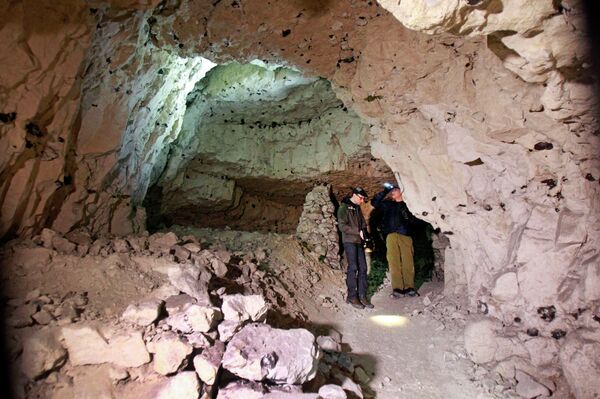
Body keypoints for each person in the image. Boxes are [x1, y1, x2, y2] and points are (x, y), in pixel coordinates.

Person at [371, 182, 420, 297]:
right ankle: (397, 288)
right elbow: (375, 203)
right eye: (391, 191)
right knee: (394, 262)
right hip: (391, 236)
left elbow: (417, 222)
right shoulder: (388, 205)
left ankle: (409, 287)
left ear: (401, 191)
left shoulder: (409, 206)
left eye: (395, 190)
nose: (392, 192)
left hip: (406, 236)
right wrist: (385, 191)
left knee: (408, 261)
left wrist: (408, 217)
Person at [337, 187, 374, 309]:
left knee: (363, 268)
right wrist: (358, 231)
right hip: (349, 241)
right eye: (361, 198)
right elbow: (342, 226)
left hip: (358, 242)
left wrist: (366, 236)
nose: (362, 201)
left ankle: (362, 295)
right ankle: (352, 297)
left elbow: (362, 224)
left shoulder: (357, 208)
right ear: (355, 195)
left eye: (363, 198)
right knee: (353, 267)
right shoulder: (343, 207)